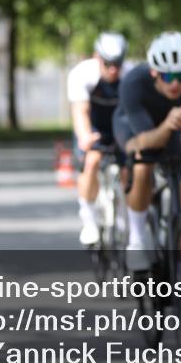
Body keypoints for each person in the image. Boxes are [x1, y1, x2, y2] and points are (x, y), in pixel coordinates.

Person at [111, 31, 181, 271]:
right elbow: (147, 140)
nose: (175, 84)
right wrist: (170, 123)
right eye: (167, 76)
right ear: (153, 73)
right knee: (143, 162)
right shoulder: (133, 83)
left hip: (178, 130)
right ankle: (136, 238)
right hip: (137, 129)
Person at [67, 32, 129, 245]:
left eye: (118, 64)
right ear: (97, 57)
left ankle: (123, 216)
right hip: (93, 125)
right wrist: (85, 137)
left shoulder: (128, 75)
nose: (113, 69)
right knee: (92, 160)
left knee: (128, 169)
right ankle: (89, 220)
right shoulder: (82, 74)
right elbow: (80, 111)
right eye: (108, 63)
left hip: (118, 124)